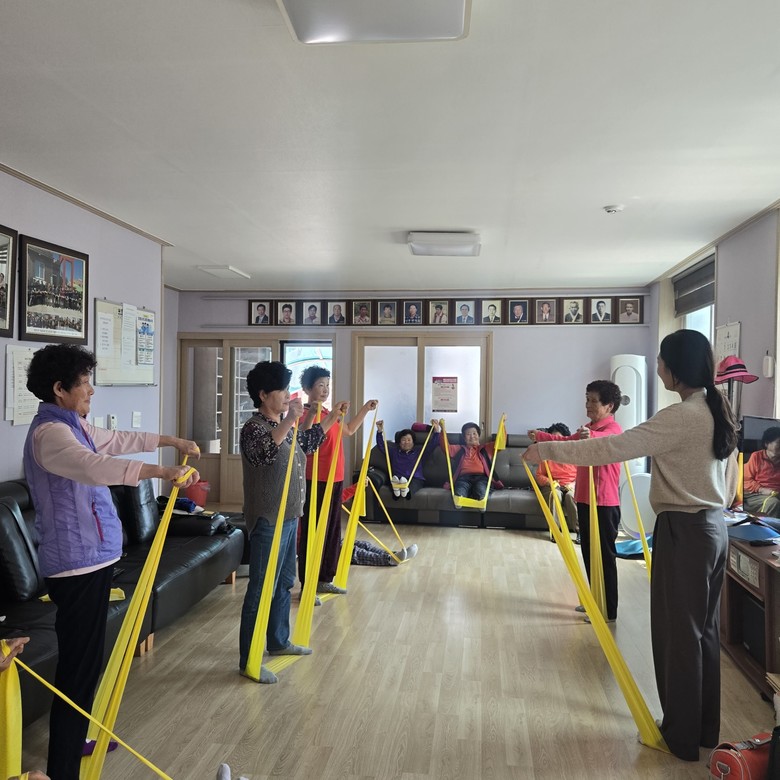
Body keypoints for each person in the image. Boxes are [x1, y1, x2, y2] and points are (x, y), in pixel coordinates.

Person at [524, 330, 738, 762]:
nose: (656, 367)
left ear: (676, 370)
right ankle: (701, 731)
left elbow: (613, 448)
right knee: (703, 634)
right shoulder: (715, 409)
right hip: (714, 530)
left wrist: (546, 450)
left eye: (661, 361)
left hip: (685, 532)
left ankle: (679, 737)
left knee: (679, 637)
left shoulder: (682, 416)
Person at [23, 343, 200, 780]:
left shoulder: (74, 425)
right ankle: (63, 768)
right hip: (74, 565)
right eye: (84, 382)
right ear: (59, 388)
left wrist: (171, 442)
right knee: (78, 667)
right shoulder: (50, 434)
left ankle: (76, 735)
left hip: (94, 559)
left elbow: (117, 440)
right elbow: (93, 466)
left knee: (88, 663)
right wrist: (159, 472)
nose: (91, 390)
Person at [239, 361, 348, 684]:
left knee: (285, 582)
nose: (288, 395)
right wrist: (289, 420)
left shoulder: (282, 426)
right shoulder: (254, 428)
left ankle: (278, 640)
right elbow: (263, 454)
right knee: (261, 589)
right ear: (263, 395)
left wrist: (331, 417)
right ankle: (249, 659)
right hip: (267, 519)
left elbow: (308, 444)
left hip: (289, 515)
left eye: (288, 390)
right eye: (282, 390)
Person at [530, 380, 622, 622]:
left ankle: (607, 611)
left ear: (609, 406)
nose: (588, 405)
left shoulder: (613, 430)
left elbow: (603, 442)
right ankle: (594, 602)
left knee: (604, 557)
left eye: (594, 401)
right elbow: (567, 443)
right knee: (590, 554)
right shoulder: (587, 428)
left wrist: (590, 436)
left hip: (604, 503)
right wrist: (540, 436)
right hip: (584, 498)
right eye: (587, 399)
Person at [298, 365, 377, 596]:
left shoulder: (327, 413)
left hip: (335, 478)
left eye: (327, 385)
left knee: (332, 531)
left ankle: (324, 579)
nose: (325, 390)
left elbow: (349, 430)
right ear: (307, 389)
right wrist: (332, 415)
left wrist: (365, 409)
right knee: (313, 531)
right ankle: (307, 585)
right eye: (320, 385)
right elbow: (305, 440)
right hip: (315, 479)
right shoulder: (305, 415)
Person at [528, 423, 578, 542]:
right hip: (552, 485)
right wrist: (550, 482)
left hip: (571, 485)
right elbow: (539, 475)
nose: (556, 441)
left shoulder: (574, 454)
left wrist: (573, 485)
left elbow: (582, 476)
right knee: (555, 495)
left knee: (571, 496)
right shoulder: (546, 455)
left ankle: (580, 531)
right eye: (553, 438)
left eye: (558, 438)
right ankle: (556, 532)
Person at [376, 419, 440, 500]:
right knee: (395, 480)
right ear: (399, 443)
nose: (406, 442)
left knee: (413, 484)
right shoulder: (394, 451)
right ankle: (397, 490)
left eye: (409, 440)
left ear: (413, 442)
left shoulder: (419, 452)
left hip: (415, 479)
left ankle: (405, 491)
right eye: (403, 440)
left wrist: (436, 431)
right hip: (398, 478)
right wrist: (379, 431)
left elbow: (432, 445)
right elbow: (381, 446)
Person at [441, 422, 503, 501]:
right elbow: (445, 448)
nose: (472, 436)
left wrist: (502, 424)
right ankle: (460, 502)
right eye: (468, 434)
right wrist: (443, 429)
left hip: (481, 478)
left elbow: (500, 443)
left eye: (474, 433)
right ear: (464, 438)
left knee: (481, 490)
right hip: (463, 478)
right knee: (460, 491)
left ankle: (481, 501)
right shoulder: (459, 449)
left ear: (478, 435)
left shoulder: (486, 448)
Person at [743, 426, 780, 517]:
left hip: (777, 493)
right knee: (773, 503)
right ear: (767, 443)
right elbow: (746, 480)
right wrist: (762, 489)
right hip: (756, 493)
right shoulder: (756, 457)